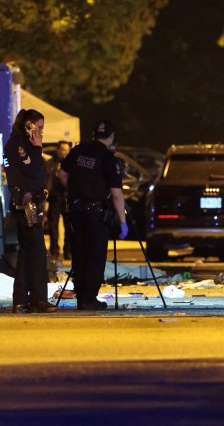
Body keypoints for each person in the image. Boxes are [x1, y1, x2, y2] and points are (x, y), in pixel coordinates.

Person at [59, 119, 127, 311]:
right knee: (95, 257)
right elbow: (116, 194)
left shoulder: (78, 151)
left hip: (76, 212)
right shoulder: (108, 159)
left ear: (94, 134)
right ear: (112, 137)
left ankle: (81, 295)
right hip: (96, 215)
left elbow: (62, 175)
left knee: (79, 255)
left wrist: (75, 192)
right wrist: (123, 222)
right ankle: (89, 298)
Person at [2, 109, 53, 313]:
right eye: (39, 127)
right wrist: (37, 149)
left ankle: (20, 299)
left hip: (26, 204)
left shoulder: (17, 144)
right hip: (25, 205)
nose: (41, 132)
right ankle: (38, 301)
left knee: (26, 252)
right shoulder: (20, 146)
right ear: (29, 125)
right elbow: (33, 171)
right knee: (37, 252)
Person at [45, 140, 72, 260]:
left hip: (67, 197)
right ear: (58, 150)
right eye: (63, 149)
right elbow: (47, 179)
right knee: (53, 226)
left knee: (69, 226)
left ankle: (68, 251)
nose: (65, 152)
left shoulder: (73, 164)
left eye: (67, 150)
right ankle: (54, 251)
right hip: (55, 197)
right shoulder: (51, 163)